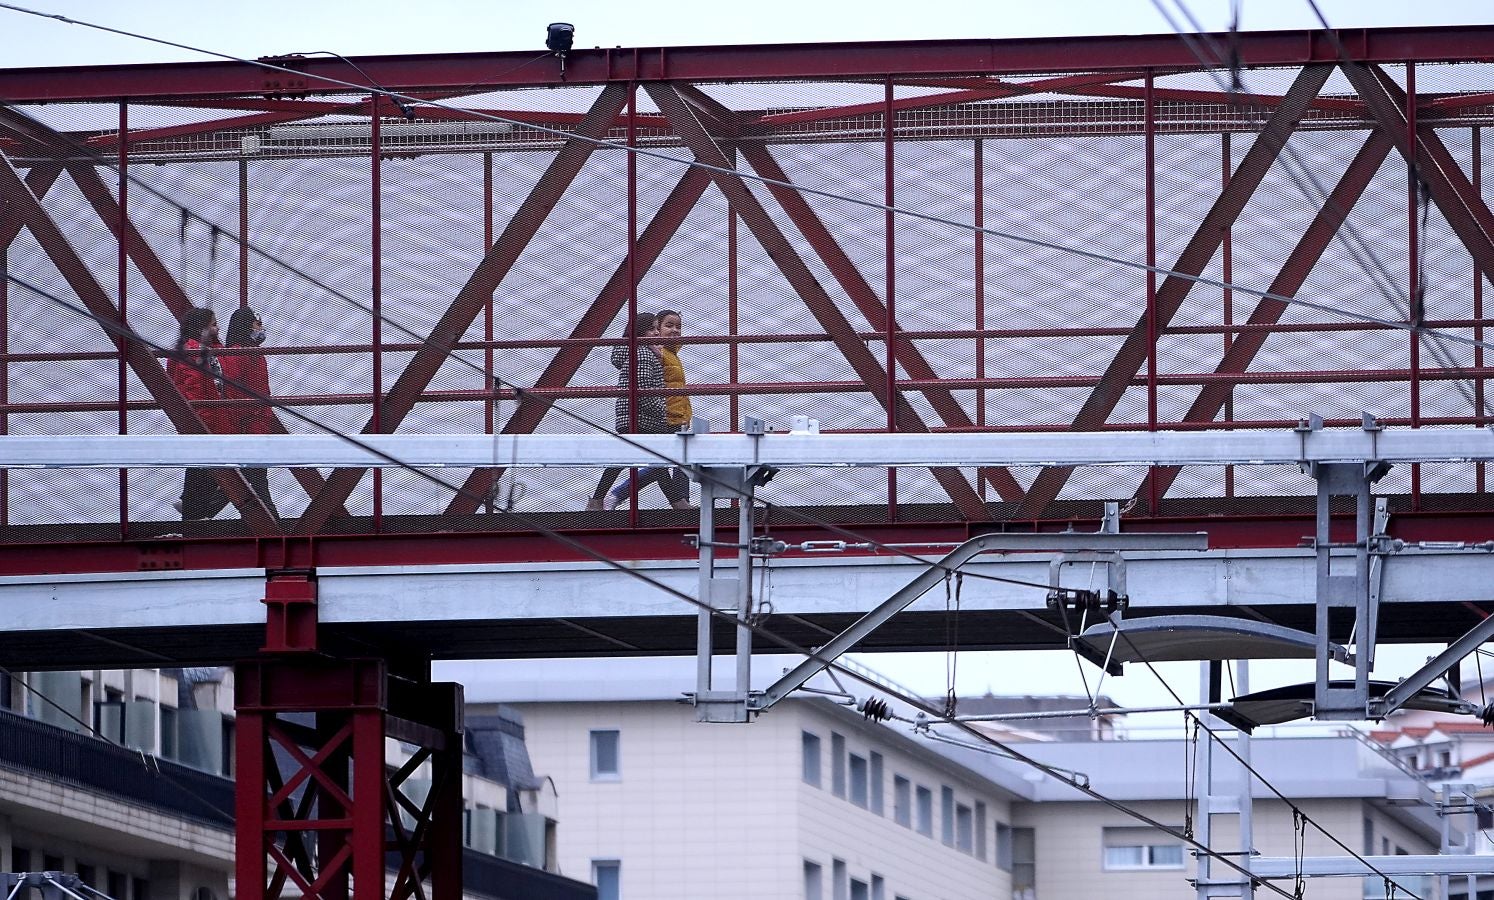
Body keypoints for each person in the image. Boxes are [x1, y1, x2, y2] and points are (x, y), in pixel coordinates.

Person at [587, 313, 689, 511]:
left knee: (635, 459)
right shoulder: (644, 353)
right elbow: (644, 388)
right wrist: (663, 410)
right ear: (642, 333)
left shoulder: (654, 352)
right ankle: (678, 502)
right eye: (653, 329)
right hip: (642, 415)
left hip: (637, 414)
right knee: (657, 461)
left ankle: (599, 500)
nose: (656, 333)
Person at [167, 307, 229, 520]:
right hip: (205, 420)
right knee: (209, 472)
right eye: (213, 324)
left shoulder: (200, 349)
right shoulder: (193, 351)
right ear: (202, 328)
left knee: (202, 471)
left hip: (207, 419)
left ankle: (191, 509)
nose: (218, 328)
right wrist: (202, 424)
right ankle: (194, 513)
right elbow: (195, 390)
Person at [217, 306, 279, 518]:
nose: (261, 328)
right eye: (257, 323)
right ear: (246, 325)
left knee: (252, 478)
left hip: (256, 423)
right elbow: (235, 393)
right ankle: (272, 525)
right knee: (257, 479)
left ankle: (198, 508)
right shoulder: (239, 354)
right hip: (250, 425)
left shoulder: (251, 353)